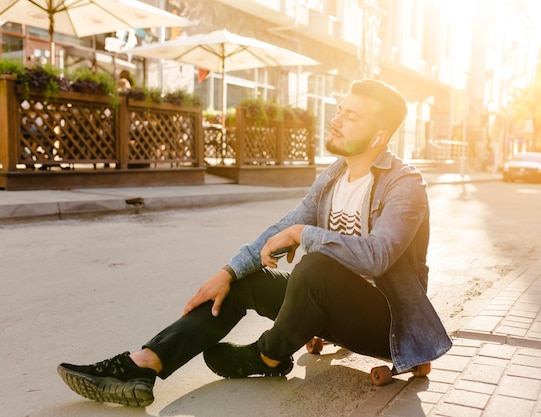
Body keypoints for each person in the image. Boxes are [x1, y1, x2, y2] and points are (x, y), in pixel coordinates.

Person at [57, 79, 452, 407]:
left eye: (352, 116)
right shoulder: (333, 176)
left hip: (386, 326)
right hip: (326, 313)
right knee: (244, 281)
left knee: (315, 268)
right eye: (339, 109)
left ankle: (267, 353)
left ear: (379, 135)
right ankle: (144, 365)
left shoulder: (405, 184)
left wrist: (303, 235)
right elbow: (282, 227)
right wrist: (227, 271)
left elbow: (377, 257)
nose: (336, 119)